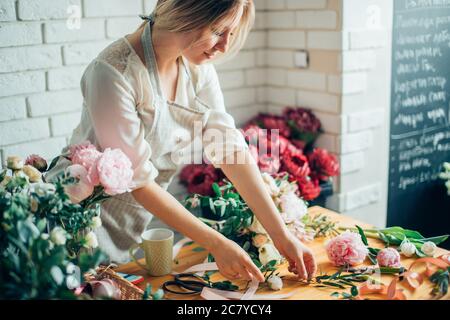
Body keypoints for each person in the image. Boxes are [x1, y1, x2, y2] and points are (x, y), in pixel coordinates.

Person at [46, 0, 316, 283]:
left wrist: (282, 236)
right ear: (187, 11)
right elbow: (139, 182)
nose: (224, 46)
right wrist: (217, 243)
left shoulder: (197, 70)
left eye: (231, 34)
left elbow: (230, 150)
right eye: (218, 31)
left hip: (128, 226)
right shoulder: (112, 72)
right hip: (77, 217)